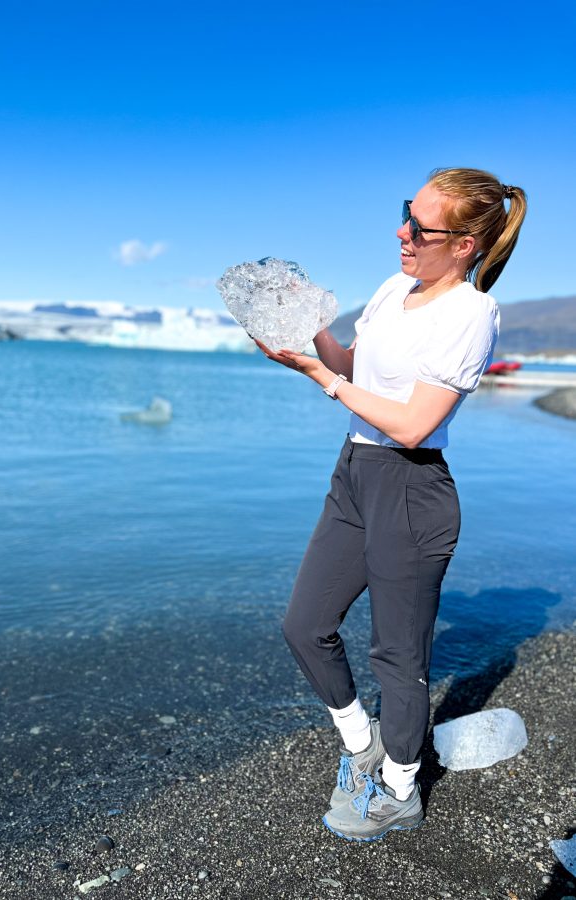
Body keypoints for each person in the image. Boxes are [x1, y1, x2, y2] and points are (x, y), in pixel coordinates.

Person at [255, 167, 527, 842]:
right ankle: (361, 744)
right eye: (405, 213)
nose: (401, 233)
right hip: (352, 471)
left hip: (409, 484)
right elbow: (350, 368)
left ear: (464, 245)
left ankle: (400, 790)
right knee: (304, 623)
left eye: (420, 227)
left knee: (396, 659)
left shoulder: (470, 314)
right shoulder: (390, 289)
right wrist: (308, 337)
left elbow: (411, 423)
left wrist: (322, 381)